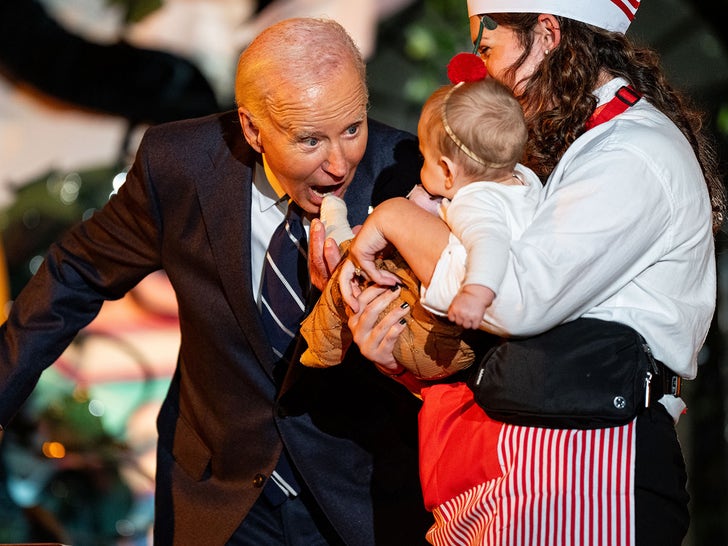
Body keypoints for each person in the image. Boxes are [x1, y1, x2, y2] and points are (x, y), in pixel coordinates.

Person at [0, 17, 433, 546]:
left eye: (352, 128)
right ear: (253, 129)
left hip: (358, 498)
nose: (339, 163)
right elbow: (78, 271)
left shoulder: (409, 176)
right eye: (309, 139)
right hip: (218, 494)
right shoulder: (179, 165)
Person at [334, 1, 726, 544]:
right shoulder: (568, 147)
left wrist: (395, 219)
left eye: (489, 49)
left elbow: (515, 300)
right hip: (509, 478)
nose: (481, 72)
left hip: (585, 479)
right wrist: (402, 356)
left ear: (546, 34)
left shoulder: (633, 151)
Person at [300, 74, 541, 379]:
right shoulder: (524, 183)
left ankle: (323, 347)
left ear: (447, 172)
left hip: (436, 340)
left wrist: (475, 293)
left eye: (424, 159)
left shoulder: (477, 205)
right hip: (451, 346)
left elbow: (489, 243)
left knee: (356, 269)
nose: (419, 168)